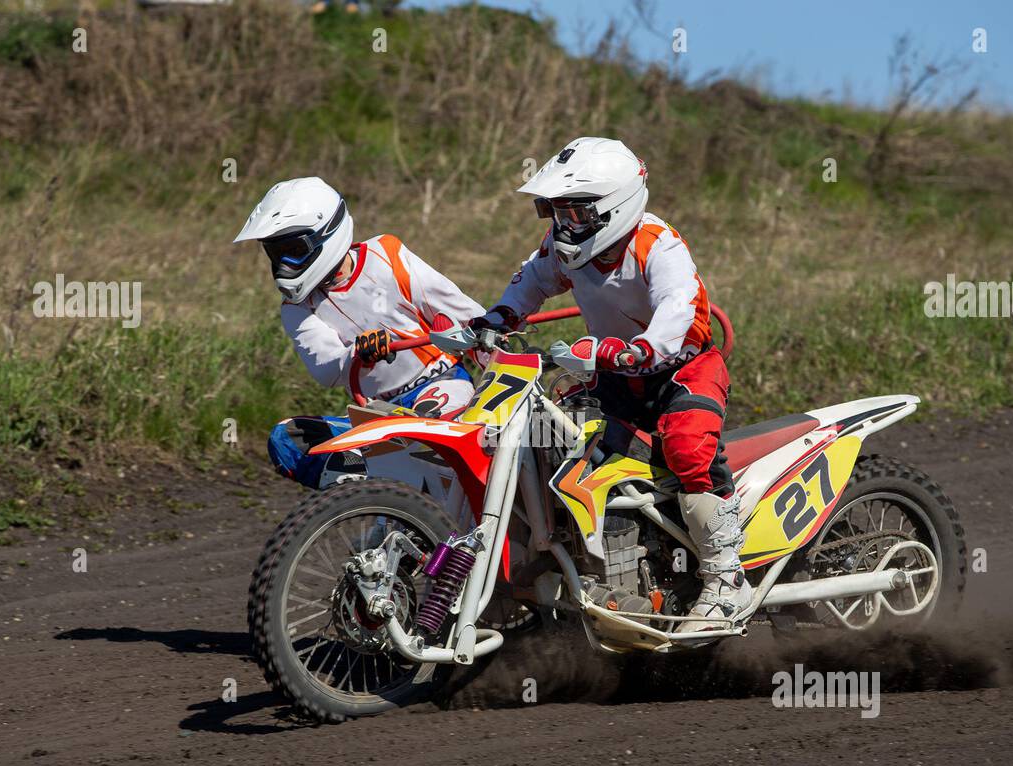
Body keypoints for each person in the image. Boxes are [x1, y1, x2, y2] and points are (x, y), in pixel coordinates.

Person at [478, 137, 745, 634]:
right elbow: (531, 282)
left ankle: (727, 582)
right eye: (556, 214)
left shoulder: (658, 246)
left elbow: (674, 316)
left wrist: (624, 352)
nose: (564, 227)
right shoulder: (566, 251)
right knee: (556, 445)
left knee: (688, 449)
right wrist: (496, 318)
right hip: (616, 377)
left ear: (613, 209)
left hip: (682, 370)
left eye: (575, 214)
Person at [234, 177, 482, 488]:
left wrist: (497, 359)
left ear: (326, 234)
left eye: (293, 250)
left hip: (438, 385)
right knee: (287, 439)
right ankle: (375, 496)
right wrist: (357, 352)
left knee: (420, 434)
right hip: (377, 414)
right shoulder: (295, 307)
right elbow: (326, 369)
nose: (284, 265)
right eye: (276, 254)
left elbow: (463, 313)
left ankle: (403, 487)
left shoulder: (386, 257)